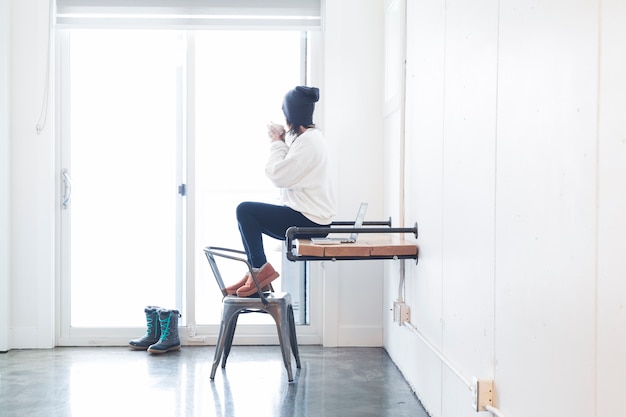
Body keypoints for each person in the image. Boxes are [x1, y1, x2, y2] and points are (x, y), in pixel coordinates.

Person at [227, 86, 335, 297]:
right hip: (311, 216)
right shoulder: (311, 139)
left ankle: (260, 270)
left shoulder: (309, 143)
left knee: (245, 211)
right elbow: (292, 164)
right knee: (247, 215)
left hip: (309, 220)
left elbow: (278, 174)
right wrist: (284, 140)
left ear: (291, 116)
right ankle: (256, 270)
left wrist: (277, 143)